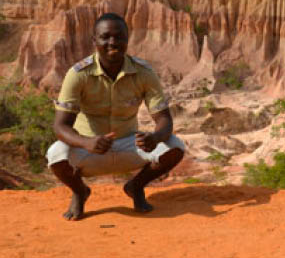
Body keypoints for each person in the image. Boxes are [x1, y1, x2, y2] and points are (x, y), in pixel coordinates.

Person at [46, 13, 186, 220]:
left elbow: (164, 119)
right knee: (56, 155)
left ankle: (135, 186)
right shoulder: (78, 74)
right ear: (95, 41)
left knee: (175, 146)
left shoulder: (144, 73)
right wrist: (86, 142)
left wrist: (154, 138)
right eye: (105, 37)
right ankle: (80, 192)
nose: (113, 42)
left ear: (127, 39)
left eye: (119, 37)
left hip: (130, 144)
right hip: (90, 148)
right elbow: (60, 126)